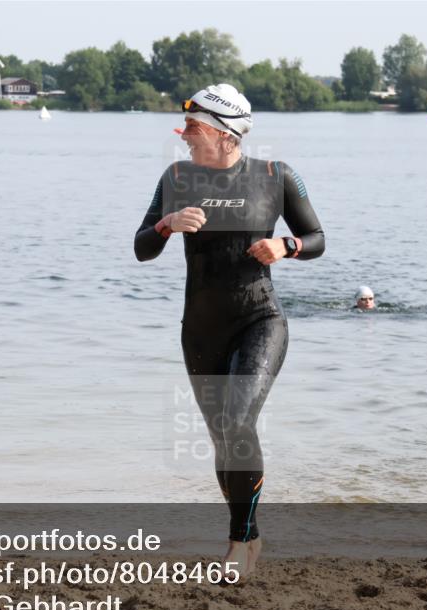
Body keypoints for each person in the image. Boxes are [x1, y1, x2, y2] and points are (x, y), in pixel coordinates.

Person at [134, 84, 325, 579]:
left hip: (260, 320)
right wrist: (167, 225)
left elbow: (317, 238)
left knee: (238, 422)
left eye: (193, 129)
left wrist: (287, 246)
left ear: (224, 135)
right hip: (200, 331)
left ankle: (238, 545)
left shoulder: (275, 176)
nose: (185, 137)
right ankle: (252, 534)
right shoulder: (177, 177)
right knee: (225, 439)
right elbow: (141, 247)